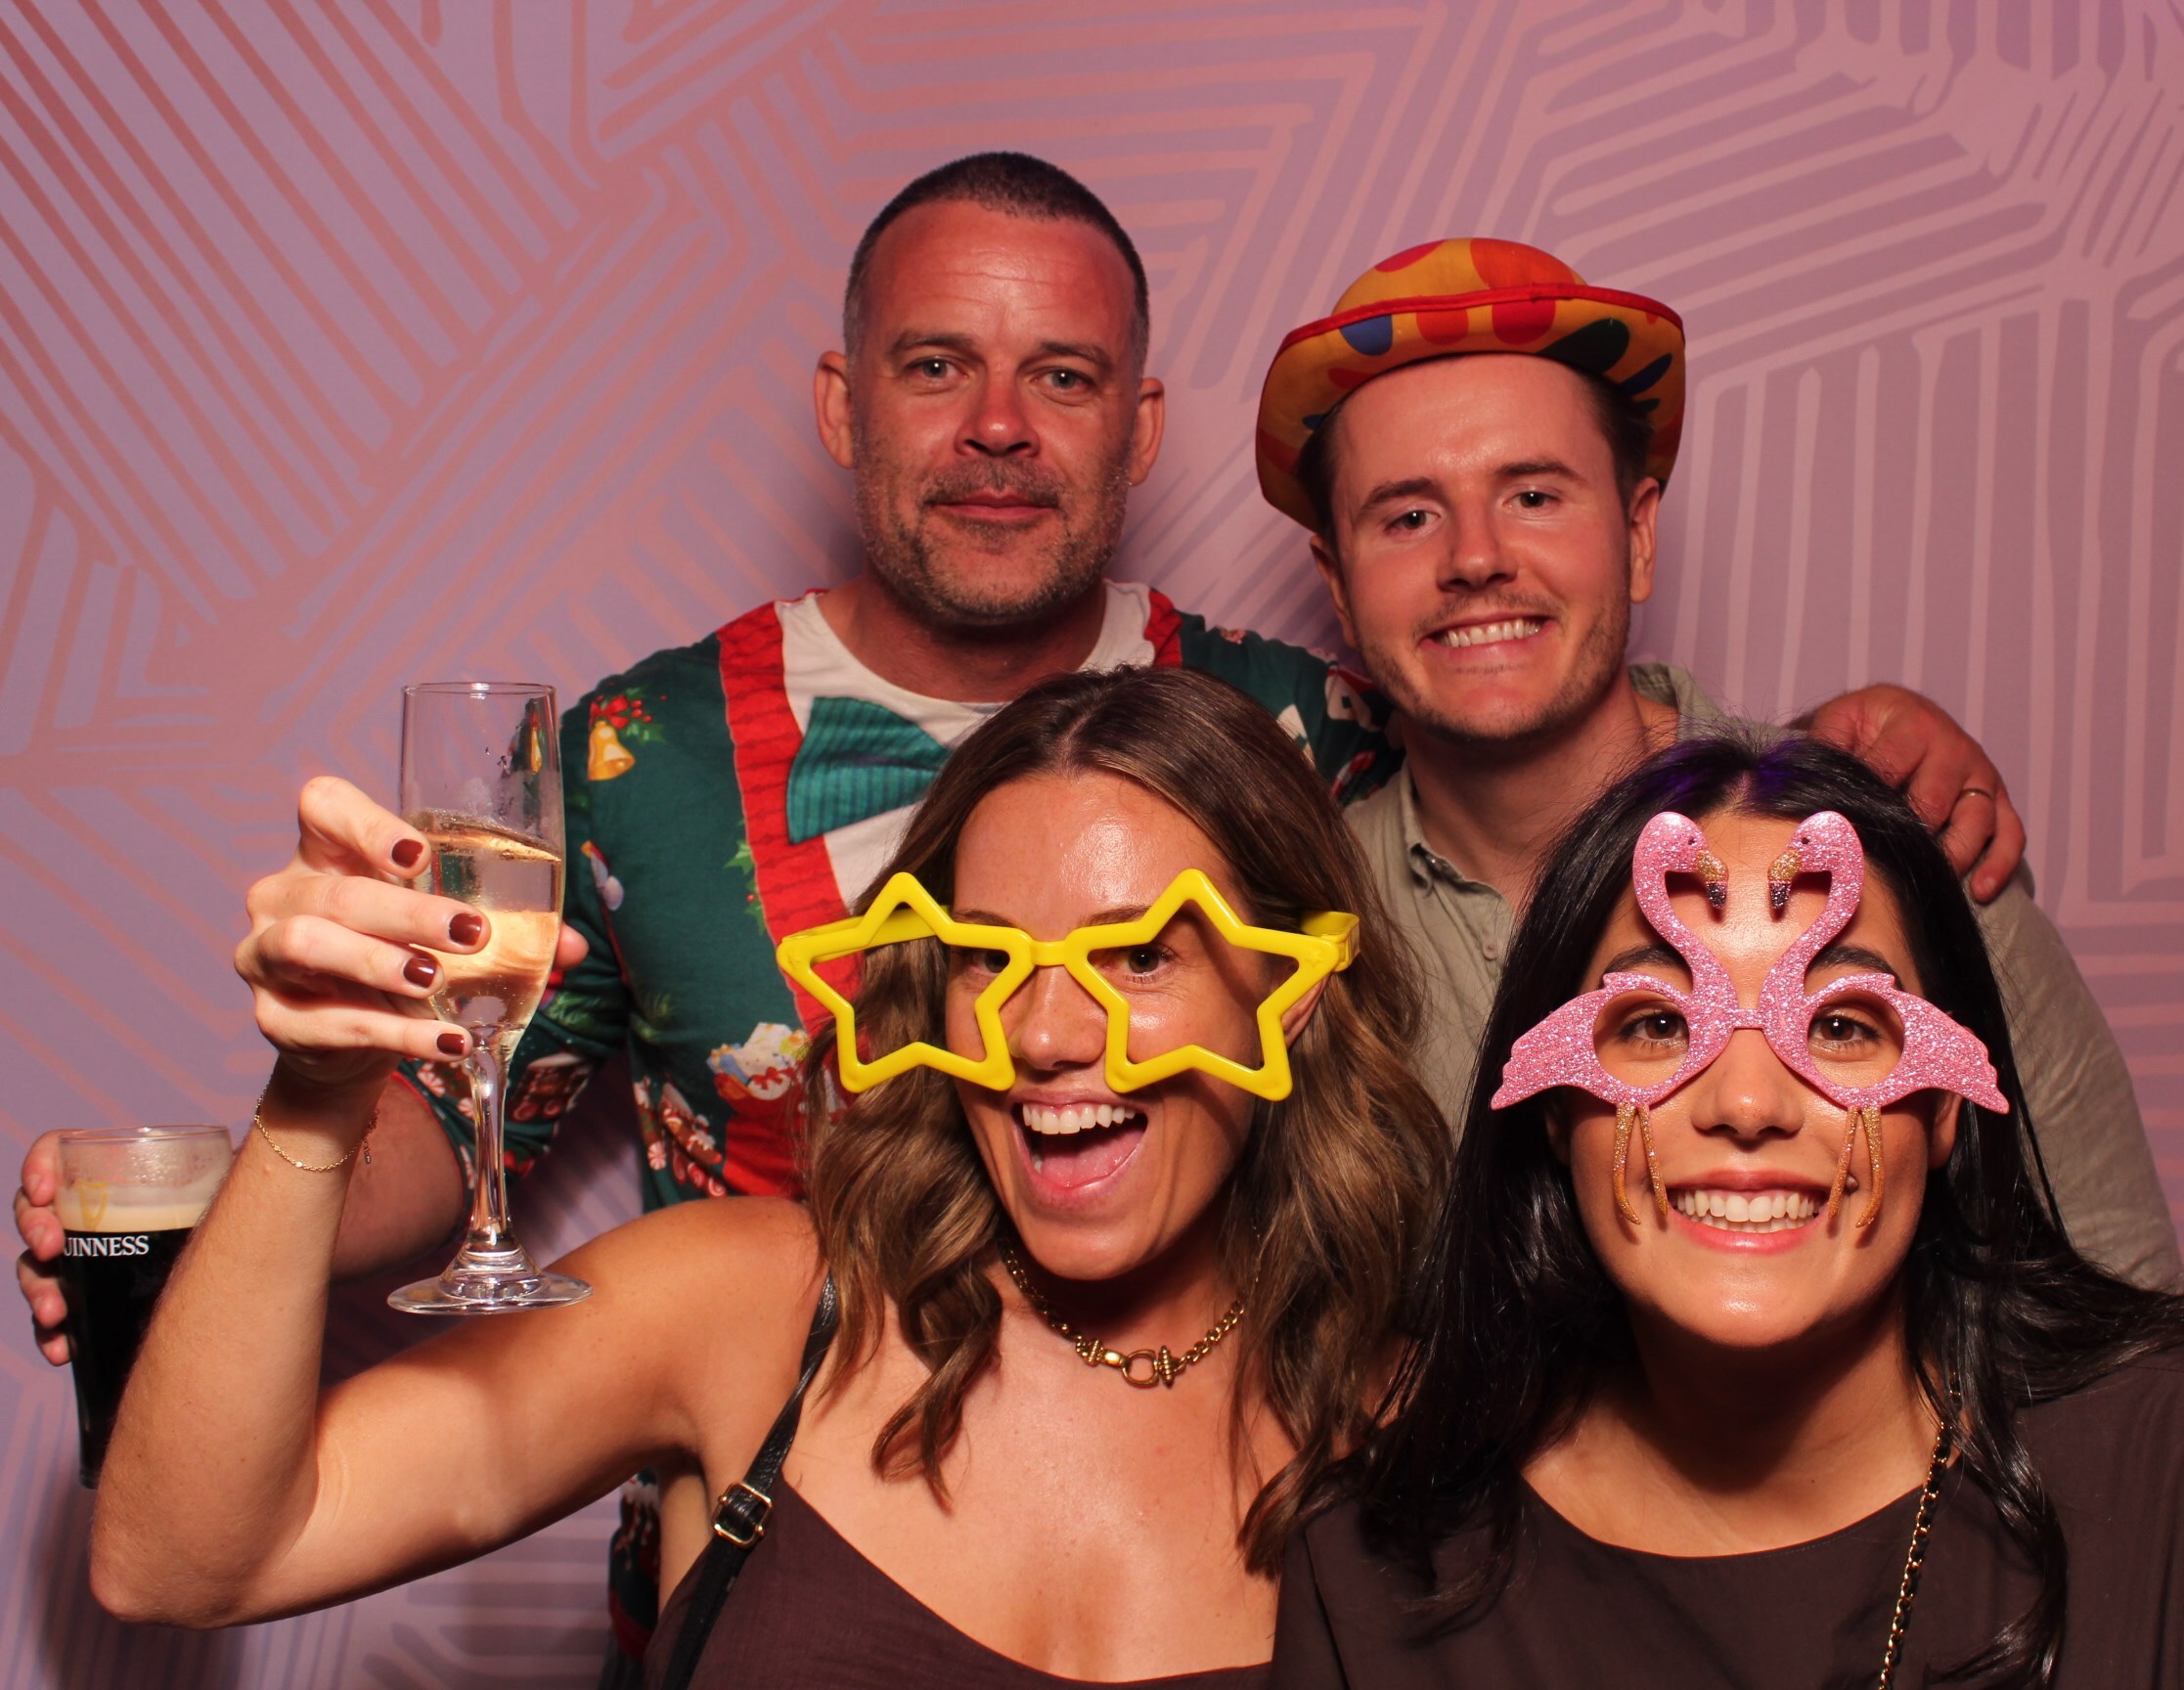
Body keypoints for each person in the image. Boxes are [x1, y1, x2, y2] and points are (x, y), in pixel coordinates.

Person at [16, 154, 2014, 1663]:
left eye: (1060, 375)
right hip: (770, 1502)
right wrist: (262, 1158)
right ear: (845, 405)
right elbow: (434, 1134)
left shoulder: (1315, 723)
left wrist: (1835, 771)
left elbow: (1551, 748)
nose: (996, 426)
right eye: (935, 367)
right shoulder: (637, 790)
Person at [91, 666, 1448, 1690]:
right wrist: (317, 1092)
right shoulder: (757, 1311)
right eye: (986, 957)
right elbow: (180, 1559)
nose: (1041, 1035)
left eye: (1141, 955)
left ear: (1296, 998)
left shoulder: (1425, 1434)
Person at [1272, 734, 2184, 1688]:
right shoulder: (1381, 1571)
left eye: (1839, 1026)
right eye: (1657, 1025)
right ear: (1550, 1109)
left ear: (1947, 1108)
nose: (1746, 1104)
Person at [1255, 240, 2182, 1287]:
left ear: (1638, 535)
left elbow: (2128, 1313)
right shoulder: (1292, 937)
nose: (1475, 557)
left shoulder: (1885, 847)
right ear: (1337, 583)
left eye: (1535, 496)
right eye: (1409, 516)